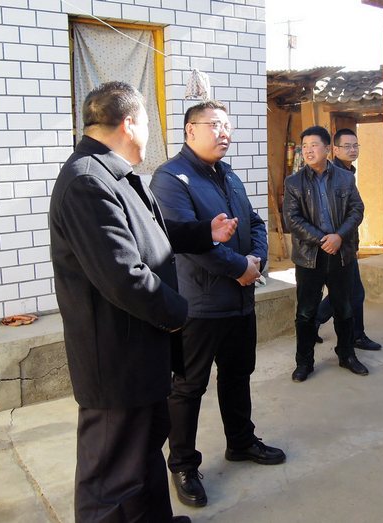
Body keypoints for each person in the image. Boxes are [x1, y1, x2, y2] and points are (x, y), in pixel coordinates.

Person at [49, 82, 238, 523]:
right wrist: (178, 313)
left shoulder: (117, 174)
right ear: (129, 124)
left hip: (141, 352)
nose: (152, 133)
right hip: (116, 361)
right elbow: (123, 275)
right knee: (111, 480)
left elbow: (150, 234)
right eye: (149, 122)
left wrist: (203, 232)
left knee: (144, 456)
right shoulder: (87, 181)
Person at [150, 100, 285, 509]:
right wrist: (240, 268)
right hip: (200, 304)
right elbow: (189, 242)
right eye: (214, 125)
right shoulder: (171, 178)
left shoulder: (229, 175)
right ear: (190, 130)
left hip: (239, 301)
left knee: (237, 374)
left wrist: (255, 260)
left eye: (227, 125)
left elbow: (255, 223)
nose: (224, 132)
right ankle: (183, 465)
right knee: (188, 387)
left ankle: (240, 441)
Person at [283, 125, 367, 382]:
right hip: (309, 257)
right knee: (305, 313)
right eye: (304, 146)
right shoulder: (293, 182)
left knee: (344, 309)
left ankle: (347, 354)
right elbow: (292, 219)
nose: (308, 151)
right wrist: (324, 240)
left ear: (328, 149)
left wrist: (339, 236)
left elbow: (357, 209)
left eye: (314, 145)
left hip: (340, 254)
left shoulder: (345, 178)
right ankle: (304, 362)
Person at [314, 128, 382, 351]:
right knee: (354, 293)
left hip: (346, 244)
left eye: (355, 146)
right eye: (347, 146)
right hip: (338, 245)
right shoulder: (333, 175)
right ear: (335, 149)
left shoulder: (347, 172)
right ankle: (355, 336)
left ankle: (313, 322)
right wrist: (338, 239)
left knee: (344, 291)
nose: (352, 150)